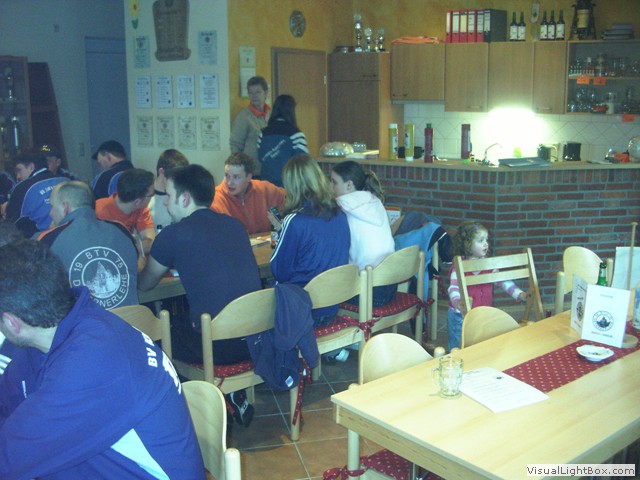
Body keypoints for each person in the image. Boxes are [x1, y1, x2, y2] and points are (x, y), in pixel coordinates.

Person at [0, 240, 205, 479]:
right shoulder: (50, 334)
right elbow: (7, 399)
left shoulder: (91, 364)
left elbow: (7, 460)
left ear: (12, 323)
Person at [139, 164, 262, 426]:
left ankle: (195, 409)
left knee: (152, 338)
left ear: (185, 199)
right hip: (256, 338)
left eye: (169, 196)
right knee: (190, 319)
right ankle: (231, 395)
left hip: (217, 346)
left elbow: (146, 284)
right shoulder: (234, 225)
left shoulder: (171, 235)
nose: (166, 203)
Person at [270, 154, 350, 327]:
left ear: (290, 185)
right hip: (332, 306)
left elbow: (279, 271)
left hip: (303, 312)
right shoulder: (339, 214)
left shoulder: (294, 221)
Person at [38, 181, 140, 309]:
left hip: (83, 321)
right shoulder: (121, 230)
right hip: (131, 320)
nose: (50, 213)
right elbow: (138, 266)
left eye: (52, 207)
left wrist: (53, 232)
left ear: (65, 207)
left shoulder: (48, 239)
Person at [447, 221, 529, 351]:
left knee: (480, 343)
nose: (486, 244)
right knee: (459, 345)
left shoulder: (487, 264)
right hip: (461, 316)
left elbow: (503, 280)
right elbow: (453, 288)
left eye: (486, 240)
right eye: (480, 241)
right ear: (467, 244)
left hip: (482, 314)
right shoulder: (459, 266)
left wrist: (519, 294)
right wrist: (458, 302)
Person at [330, 160, 396, 306]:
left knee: (318, 292)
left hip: (366, 292)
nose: (330, 186)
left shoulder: (339, 208)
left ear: (349, 185)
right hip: (389, 286)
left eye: (334, 182)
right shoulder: (375, 201)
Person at [211, 152, 285, 235]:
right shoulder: (215, 198)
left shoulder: (265, 189)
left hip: (267, 242)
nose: (229, 183)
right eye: (227, 176)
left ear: (249, 177)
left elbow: (292, 200)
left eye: (236, 177)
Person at [95, 168, 156, 258]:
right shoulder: (96, 211)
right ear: (137, 201)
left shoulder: (141, 208)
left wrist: (125, 251)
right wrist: (136, 249)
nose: (152, 197)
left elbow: (150, 242)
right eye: (151, 195)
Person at [4, 149, 66, 237]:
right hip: (73, 235)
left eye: (19, 170)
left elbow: (11, 223)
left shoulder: (23, 187)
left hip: (42, 240)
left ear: (31, 167)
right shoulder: (67, 181)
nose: (18, 176)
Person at [257, 94, 308, 187]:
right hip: (289, 185)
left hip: (266, 184)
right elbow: (303, 163)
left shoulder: (263, 133)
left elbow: (260, 157)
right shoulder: (296, 135)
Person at [229, 76, 270, 172]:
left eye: (258, 92)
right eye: (250, 93)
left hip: (270, 168)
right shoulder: (243, 117)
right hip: (252, 170)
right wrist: (240, 168)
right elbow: (235, 145)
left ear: (266, 93)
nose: (254, 96)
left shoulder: (271, 113)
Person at [149, 148, 189, 230]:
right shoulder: (144, 199)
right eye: (175, 176)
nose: (180, 181)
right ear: (161, 172)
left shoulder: (184, 196)